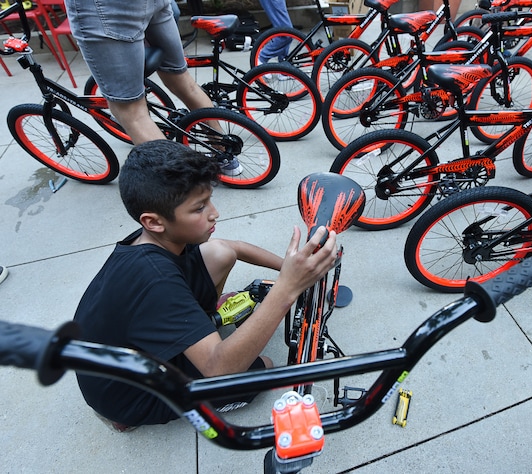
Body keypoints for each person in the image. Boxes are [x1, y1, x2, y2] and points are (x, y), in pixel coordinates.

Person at [73, 140, 337, 431]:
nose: (214, 213)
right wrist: (288, 287)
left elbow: (233, 247)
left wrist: (293, 268)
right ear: (154, 221)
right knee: (263, 367)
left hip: (131, 350)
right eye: (199, 208)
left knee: (220, 253)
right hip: (129, 394)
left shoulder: (156, 238)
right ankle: (126, 419)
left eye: (209, 199)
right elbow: (220, 370)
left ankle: (199, 327)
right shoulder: (156, 282)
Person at [63, 0, 216, 147]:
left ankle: (179, 174)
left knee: (132, 112)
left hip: (104, 8)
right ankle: (225, 157)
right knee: (184, 82)